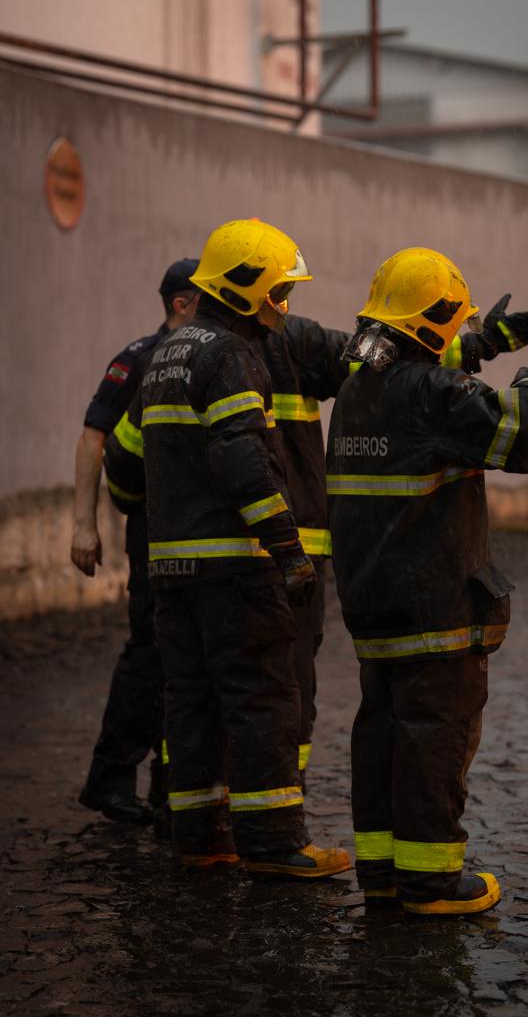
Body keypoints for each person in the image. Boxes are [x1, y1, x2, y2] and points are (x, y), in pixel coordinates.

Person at [103, 219, 351, 876]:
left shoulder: (167, 354)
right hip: (236, 570)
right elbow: (244, 456)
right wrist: (286, 549)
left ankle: (200, 836)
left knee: (191, 703)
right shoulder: (232, 355)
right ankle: (273, 845)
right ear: (244, 289)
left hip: (173, 570)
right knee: (262, 698)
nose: (284, 307)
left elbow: (126, 470)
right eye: (278, 292)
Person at [326, 246, 528, 915]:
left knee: (382, 736)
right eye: (454, 322)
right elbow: (520, 435)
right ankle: (429, 884)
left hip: (373, 607)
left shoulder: (356, 391)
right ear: (428, 323)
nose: (460, 332)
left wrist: (479, 344)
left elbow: (420, 385)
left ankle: (383, 874)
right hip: (434, 606)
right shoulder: (433, 394)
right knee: (434, 737)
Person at [73, 259, 200, 825]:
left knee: (184, 658)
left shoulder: (203, 355)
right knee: (149, 652)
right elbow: (94, 435)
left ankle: (168, 788)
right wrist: (84, 523)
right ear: (181, 303)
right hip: (152, 529)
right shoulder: (142, 357)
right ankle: (110, 779)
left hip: (190, 530)